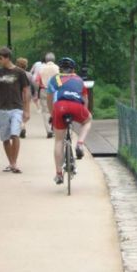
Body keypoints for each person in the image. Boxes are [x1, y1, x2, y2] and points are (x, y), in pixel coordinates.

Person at [47, 56, 92, 185]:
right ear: (73, 69)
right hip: (76, 106)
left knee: (59, 141)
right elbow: (85, 98)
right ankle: (80, 143)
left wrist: (52, 113)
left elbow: (49, 99)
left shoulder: (54, 79)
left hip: (60, 107)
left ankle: (58, 174)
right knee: (88, 120)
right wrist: (84, 112)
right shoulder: (79, 79)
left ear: (60, 68)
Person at [0, 46, 30, 174]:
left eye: (0, 58)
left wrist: (26, 110)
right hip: (3, 109)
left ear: (7, 58)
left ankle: (14, 163)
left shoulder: (20, 72)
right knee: (5, 138)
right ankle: (11, 162)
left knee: (15, 134)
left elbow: (26, 91)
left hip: (17, 107)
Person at [36, 52, 59, 138]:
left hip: (44, 90)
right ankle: (54, 128)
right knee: (55, 109)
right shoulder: (58, 68)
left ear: (45, 60)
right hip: (55, 91)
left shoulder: (41, 69)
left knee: (45, 111)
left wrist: (36, 92)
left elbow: (37, 81)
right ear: (54, 59)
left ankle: (48, 130)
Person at [15, 57, 35, 138]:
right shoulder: (29, 75)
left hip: (16, 95)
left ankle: (20, 127)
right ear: (25, 65)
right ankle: (23, 125)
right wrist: (34, 94)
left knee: (18, 112)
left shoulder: (14, 74)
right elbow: (33, 85)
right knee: (26, 114)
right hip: (27, 95)